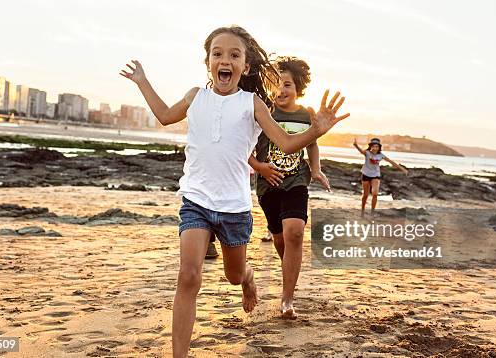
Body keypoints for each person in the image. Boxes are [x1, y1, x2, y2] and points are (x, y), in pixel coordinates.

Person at [120, 25, 349, 357]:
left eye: (234, 55)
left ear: (245, 66)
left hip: (233, 208)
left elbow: (285, 142)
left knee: (233, 274)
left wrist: (315, 130)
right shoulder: (195, 97)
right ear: (208, 62)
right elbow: (165, 116)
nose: (224, 60)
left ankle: (248, 277)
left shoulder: (252, 104)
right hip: (195, 201)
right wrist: (142, 82)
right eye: (217, 54)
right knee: (188, 276)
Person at [249, 56, 329, 319]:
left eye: (287, 85)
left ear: (298, 89)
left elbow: (312, 143)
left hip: (296, 181)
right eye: (277, 84)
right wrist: (260, 168)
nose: (281, 90)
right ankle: (288, 271)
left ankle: (287, 299)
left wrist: (315, 170)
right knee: (281, 239)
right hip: (268, 185)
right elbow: (243, 148)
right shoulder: (263, 111)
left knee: (294, 233)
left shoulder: (306, 114)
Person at [353, 137, 408, 216]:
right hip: (365, 174)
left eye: (377, 146)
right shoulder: (367, 153)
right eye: (373, 146)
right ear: (371, 146)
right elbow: (361, 151)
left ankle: (372, 212)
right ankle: (362, 211)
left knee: (375, 194)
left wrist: (403, 169)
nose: (375, 148)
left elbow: (392, 162)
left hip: (376, 175)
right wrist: (356, 145)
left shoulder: (381, 155)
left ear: (379, 147)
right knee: (365, 195)